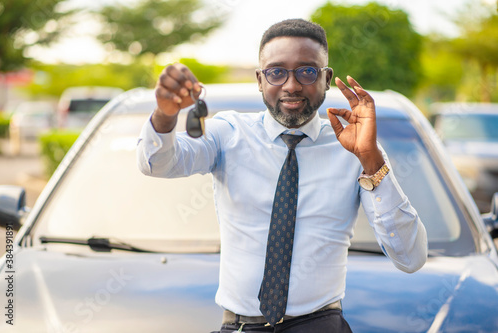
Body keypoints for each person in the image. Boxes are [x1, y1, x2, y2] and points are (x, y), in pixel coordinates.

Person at [137, 18, 427, 333]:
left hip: (320, 325)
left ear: (326, 78)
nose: (291, 85)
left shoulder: (358, 148)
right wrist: (165, 115)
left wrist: (370, 159)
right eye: (276, 72)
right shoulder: (229, 133)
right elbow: (158, 164)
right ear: (260, 80)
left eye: (307, 71)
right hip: (239, 326)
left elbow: (410, 258)